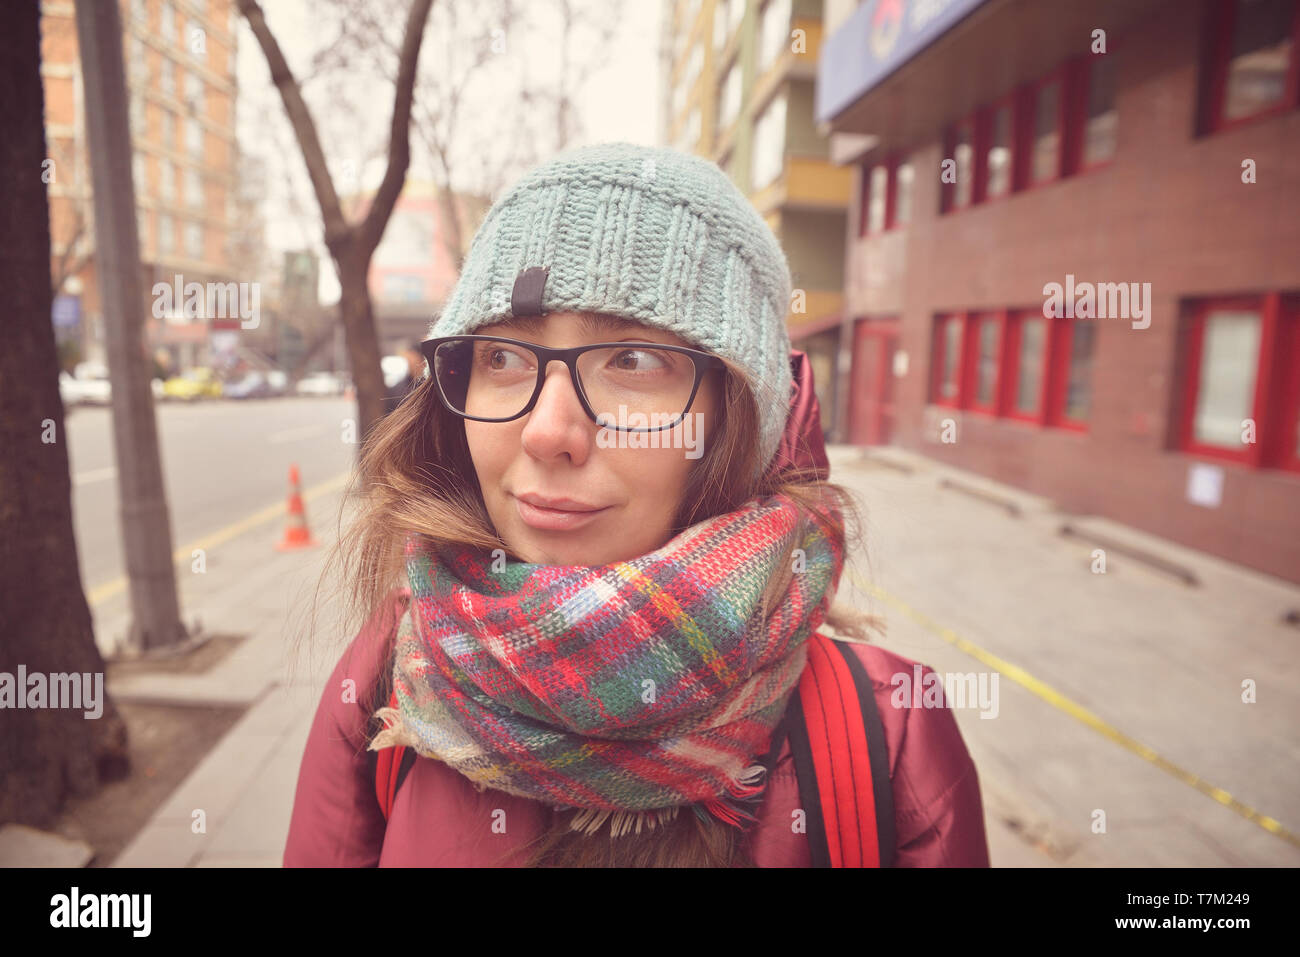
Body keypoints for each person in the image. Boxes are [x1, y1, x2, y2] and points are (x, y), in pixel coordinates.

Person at [284, 142, 990, 867]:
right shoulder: (388, 680)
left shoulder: (888, 733)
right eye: (502, 356)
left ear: (738, 418)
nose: (549, 430)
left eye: (634, 359)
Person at [381, 340, 425, 415]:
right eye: (408, 359)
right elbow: (388, 414)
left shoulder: (430, 384)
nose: (410, 362)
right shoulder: (396, 389)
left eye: (413, 358)